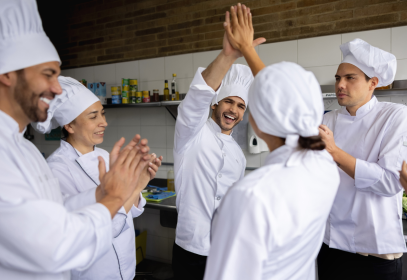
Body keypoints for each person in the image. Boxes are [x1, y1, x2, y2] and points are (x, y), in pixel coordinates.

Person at [0, 0, 153, 279]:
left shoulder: (25, 149)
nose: (56, 89)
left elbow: (56, 215)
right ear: (8, 74)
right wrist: (114, 197)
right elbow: (56, 245)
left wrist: (104, 192)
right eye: (48, 75)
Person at [203, 5, 340, 280]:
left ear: (255, 122)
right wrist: (248, 51)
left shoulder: (251, 197)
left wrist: (241, 49)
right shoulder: (324, 165)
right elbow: (284, 97)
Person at [33, 76, 163, 280]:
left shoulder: (104, 155)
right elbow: (100, 229)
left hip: (126, 271)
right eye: (93, 116)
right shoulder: (56, 170)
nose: (104, 122)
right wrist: (136, 186)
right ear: (69, 125)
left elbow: (129, 214)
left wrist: (140, 182)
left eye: (102, 114)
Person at [171, 12, 266, 279]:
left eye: (240, 105)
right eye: (228, 102)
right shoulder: (192, 133)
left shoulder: (238, 155)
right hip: (191, 249)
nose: (233, 110)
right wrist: (228, 56)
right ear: (215, 103)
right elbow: (196, 98)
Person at [315, 38, 407, 279]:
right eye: (337, 78)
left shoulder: (395, 116)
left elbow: (389, 182)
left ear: (372, 83)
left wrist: (335, 152)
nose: (340, 84)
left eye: (350, 78)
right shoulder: (329, 119)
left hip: (374, 254)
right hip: (331, 245)